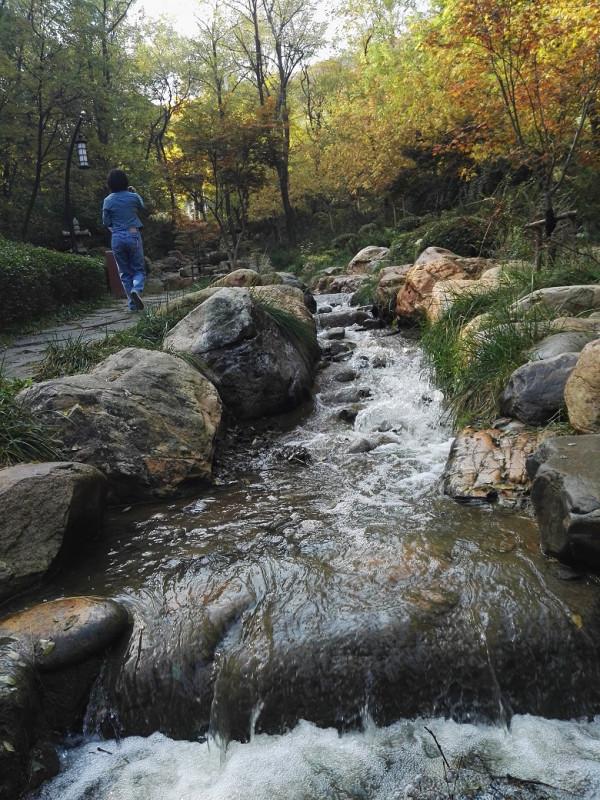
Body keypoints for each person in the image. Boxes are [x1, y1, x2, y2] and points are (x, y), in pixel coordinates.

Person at [102, 169, 146, 311]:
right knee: (138, 269)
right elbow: (142, 206)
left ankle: (132, 305)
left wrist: (114, 228)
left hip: (117, 237)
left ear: (110, 184)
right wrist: (134, 192)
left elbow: (105, 221)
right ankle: (137, 289)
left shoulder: (108, 200)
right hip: (133, 234)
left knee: (125, 273)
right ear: (125, 182)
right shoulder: (132, 197)